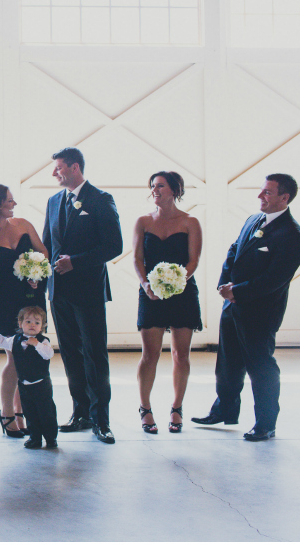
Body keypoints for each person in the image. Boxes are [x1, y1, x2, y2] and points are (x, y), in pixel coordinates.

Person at [192, 174, 300, 441]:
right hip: (232, 306)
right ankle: (224, 410)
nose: (260, 197)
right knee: (227, 364)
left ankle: (266, 424)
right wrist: (225, 286)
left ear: (284, 198)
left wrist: (238, 292)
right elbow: (234, 250)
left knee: (261, 368)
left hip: (260, 314)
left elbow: (275, 280)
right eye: (261, 191)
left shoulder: (293, 236)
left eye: (267, 192)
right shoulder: (252, 220)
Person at [42, 147, 123, 444]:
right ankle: (81, 413)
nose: (54, 173)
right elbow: (47, 245)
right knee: (71, 355)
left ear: (75, 168)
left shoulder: (101, 200)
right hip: (58, 291)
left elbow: (114, 245)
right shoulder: (53, 202)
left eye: (59, 167)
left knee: (94, 354)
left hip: (88, 290)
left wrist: (75, 261)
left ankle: (102, 420)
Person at [0, 184, 49, 438]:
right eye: (9, 201)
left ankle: (19, 411)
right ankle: (6, 412)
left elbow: (44, 252)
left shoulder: (24, 224)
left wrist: (37, 273)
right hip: (4, 301)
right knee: (15, 357)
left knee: (28, 356)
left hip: (32, 297)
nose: (13, 204)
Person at [132, 172, 202, 434]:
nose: (155, 190)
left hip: (182, 291)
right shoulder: (142, 221)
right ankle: (145, 408)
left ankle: (176, 407)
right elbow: (137, 259)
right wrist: (147, 285)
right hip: (150, 293)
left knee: (180, 355)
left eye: (160, 185)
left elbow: (193, 260)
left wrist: (176, 281)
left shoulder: (190, 222)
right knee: (150, 355)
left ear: (175, 189)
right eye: (152, 186)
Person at [0, 307, 58, 450]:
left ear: (43, 326)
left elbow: (48, 354)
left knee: (46, 413)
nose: (33, 325)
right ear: (20, 324)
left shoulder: (43, 342)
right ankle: (35, 438)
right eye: (28, 321)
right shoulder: (15, 340)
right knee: (30, 413)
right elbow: (2, 341)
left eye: (37, 322)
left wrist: (36, 344)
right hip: (25, 386)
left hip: (41, 385)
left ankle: (51, 438)